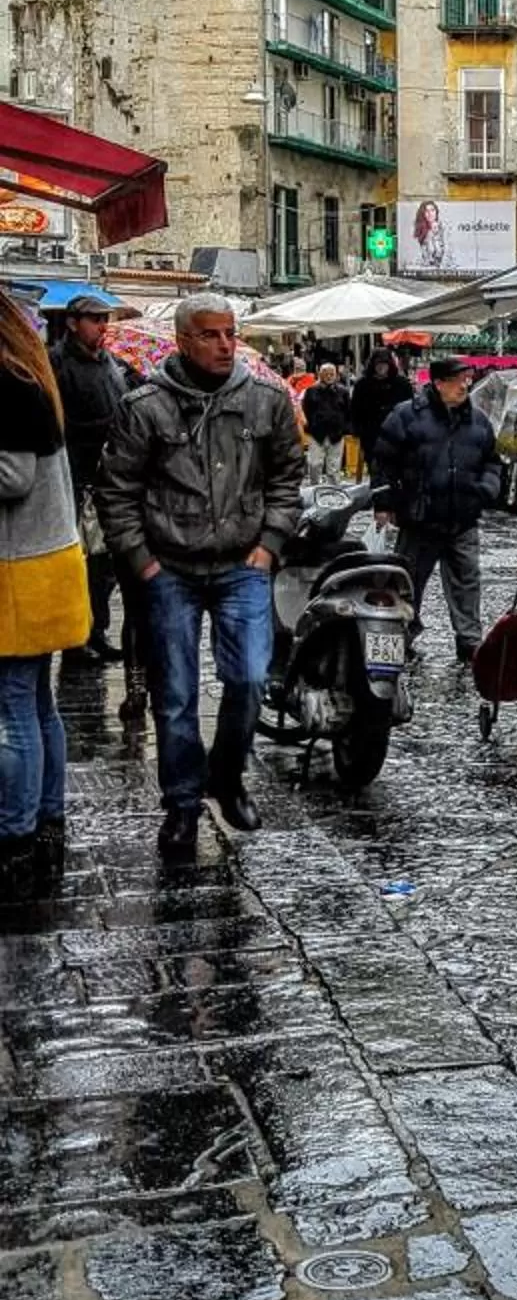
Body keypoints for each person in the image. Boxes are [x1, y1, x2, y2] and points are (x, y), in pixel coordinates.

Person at [97, 291, 304, 861]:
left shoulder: (266, 399)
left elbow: (289, 474)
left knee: (249, 678)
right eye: (210, 335)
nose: (223, 344)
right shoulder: (146, 407)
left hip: (242, 564)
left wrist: (269, 545)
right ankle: (183, 804)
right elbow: (117, 492)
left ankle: (228, 775)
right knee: (177, 695)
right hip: (171, 567)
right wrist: (142, 560)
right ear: (183, 341)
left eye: (229, 333)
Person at [0, 290, 91, 895]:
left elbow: (13, 476)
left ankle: (15, 833)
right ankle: (48, 817)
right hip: (49, 561)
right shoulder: (34, 379)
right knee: (36, 704)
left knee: (13, 712)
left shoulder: (6, 385)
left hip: (19, 569)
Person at [374, 354, 500, 661]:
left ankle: (469, 641)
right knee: (408, 582)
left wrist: (485, 490)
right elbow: (383, 460)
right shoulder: (407, 416)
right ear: (438, 383)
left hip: (463, 518)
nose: (465, 385)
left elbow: (492, 462)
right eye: (458, 379)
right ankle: (403, 635)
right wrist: (383, 502)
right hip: (420, 518)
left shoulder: (478, 420)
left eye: (467, 379)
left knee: (467, 581)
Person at [50, 292, 133, 665]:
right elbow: (56, 423)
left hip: (110, 477)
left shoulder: (111, 364)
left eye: (105, 319)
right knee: (80, 563)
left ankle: (96, 630)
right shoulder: (57, 362)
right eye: (95, 319)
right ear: (72, 323)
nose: (102, 326)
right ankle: (75, 638)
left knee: (103, 564)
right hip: (77, 475)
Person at [350, 345, 411, 474]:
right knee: (375, 470)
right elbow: (355, 410)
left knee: (397, 470)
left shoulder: (402, 384)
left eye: (384, 363)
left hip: (397, 435)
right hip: (371, 435)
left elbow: (410, 409)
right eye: (378, 364)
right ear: (372, 365)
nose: (381, 367)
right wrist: (358, 431)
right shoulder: (362, 385)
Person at [301, 359, 352, 484]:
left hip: (336, 433)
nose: (329, 377)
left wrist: (345, 429)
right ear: (320, 375)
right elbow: (306, 410)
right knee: (314, 464)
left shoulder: (343, 391)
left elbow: (348, 411)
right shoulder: (311, 391)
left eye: (331, 374)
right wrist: (309, 427)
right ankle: (315, 489)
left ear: (336, 375)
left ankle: (333, 492)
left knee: (334, 467)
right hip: (317, 433)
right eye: (326, 374)